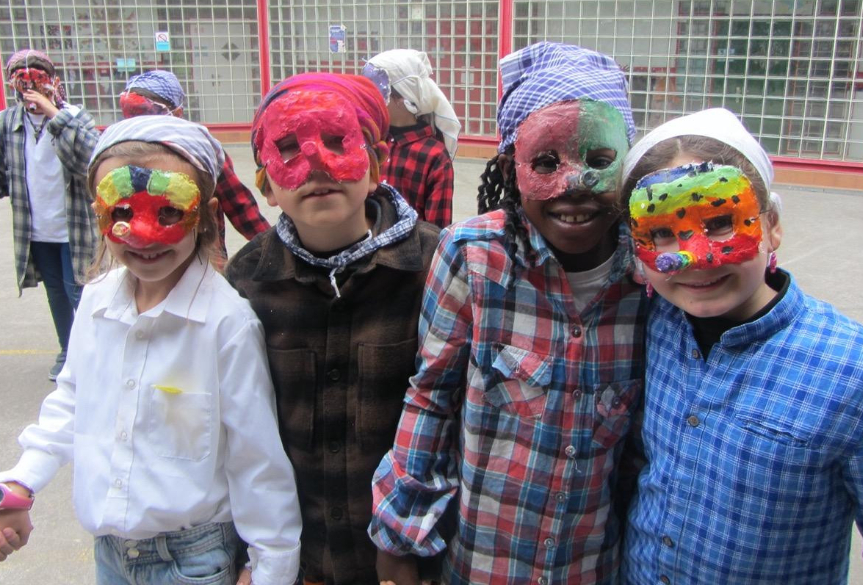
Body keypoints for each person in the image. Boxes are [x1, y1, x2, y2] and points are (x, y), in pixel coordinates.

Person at [370, 42, 648, 585]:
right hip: (479, 563)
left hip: (592, 566)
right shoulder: (473, 255)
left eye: (599, 160)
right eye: (546, 161)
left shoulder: (653, 275)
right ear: (509, 167)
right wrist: (402, 535)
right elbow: (431, 395)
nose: (574, 185)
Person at [0, 116, 303, 585]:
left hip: (192, 562)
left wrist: (271, 568)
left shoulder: (227, 325)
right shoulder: (97, 302)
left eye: (167, 213)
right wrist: (23, 482)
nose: (142, 235)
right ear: (97, 211)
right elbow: (71, 399)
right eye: (121, 212)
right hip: (111, 556)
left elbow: (256, 460)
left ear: (205, 214)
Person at [618, 108, 863, 584]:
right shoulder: (652, 326)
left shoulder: (860, 375)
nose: (696, 259)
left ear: (772, 224)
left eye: (720, 222)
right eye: (660, 232)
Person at [225, 73, 440, 585]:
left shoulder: (437, 267)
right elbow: (232, 430)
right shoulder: (247, 282)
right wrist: (247, 553)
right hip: (299, 558)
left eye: (338, 142)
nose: (316, 164)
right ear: (267, 185)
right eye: (289, 149)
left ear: (375, 167)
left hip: (402, 558)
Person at [0, 49, 99, 380]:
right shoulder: (8, 123)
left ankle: (94, 353)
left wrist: (54, 114)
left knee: (81, 292)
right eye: (22, 81)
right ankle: (67, 351)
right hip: (36, 227)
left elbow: (92, 160)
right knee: (56, 292)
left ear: (52, 81)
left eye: (37, 80)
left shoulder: (73, 117)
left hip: (73, 226)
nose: (30, 87)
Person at [120, 69, 270, 254]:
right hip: (140, 256)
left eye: (147, 113)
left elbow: (239, 207)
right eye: (132, 114)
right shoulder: (117, 156)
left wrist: (273, 247)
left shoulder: (202, 151)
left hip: (201, 258)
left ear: (177, 113)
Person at [363, 49, 459, 228]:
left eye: (376, 92)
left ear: (402, 98)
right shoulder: (372, 142)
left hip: (410, 253)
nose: (370, 101)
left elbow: (436, 230)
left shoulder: (434, 156)